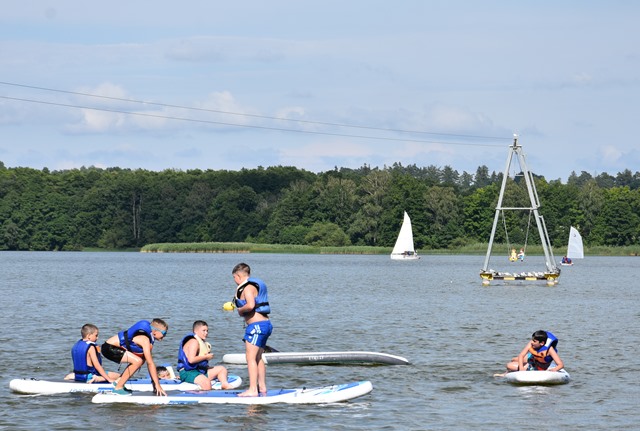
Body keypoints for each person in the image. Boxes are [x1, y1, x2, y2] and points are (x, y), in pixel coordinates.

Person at [232, 262, 273, 397]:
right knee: (258, 357)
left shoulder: (248, 288)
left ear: (238, 276)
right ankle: (262, 387)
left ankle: (253, 389)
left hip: (257, 327)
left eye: (234, 278)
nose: (234, 281)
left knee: (250, 358)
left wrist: (240, 310)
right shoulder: (253, 285)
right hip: (265, 325)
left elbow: (250, 305)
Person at [101, 318, 169, 396]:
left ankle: (118, 382)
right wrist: (158, 385)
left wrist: (154, 383)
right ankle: (118, 388)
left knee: (142, 359)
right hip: (109, 348)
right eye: (164, 333)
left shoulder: (148, 338)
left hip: (114, 348)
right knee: (137, 361)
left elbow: (149, 364)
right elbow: (150, 364)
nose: (165, 336)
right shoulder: (145, 339)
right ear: (155, 332)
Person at [177, 320, 231, 390]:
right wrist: (206, 357)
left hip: (198, 370)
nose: (206, 333)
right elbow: (191, 360)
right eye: (204, 331)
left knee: (222, 369)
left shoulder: (201, 342)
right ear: (196, 331)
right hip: (187, 372)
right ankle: (205, 396)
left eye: (207, 331)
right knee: (206, 383)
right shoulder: (194, 342)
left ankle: (224, 384)